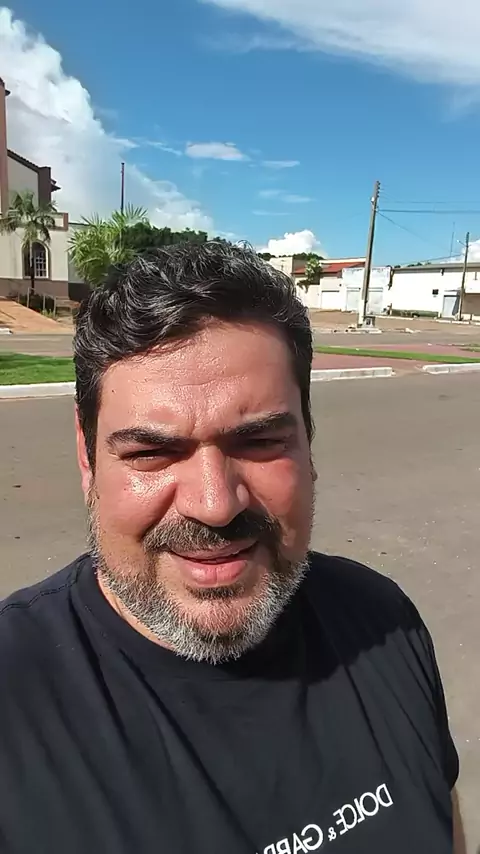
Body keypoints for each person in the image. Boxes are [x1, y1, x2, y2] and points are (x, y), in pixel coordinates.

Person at [0, 243, 462, 854]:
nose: (215, 504)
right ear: (88, 460)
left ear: (308, 444)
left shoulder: (383, 622)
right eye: (151, 452)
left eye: (260, 442)